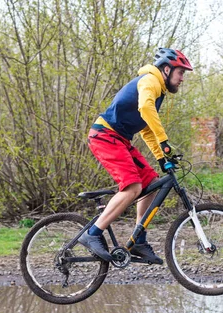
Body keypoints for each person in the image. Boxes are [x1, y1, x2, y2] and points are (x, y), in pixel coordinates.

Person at [78, 47, 193, 264]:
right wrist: (165, 142)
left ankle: (138, 239)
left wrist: (162, 157)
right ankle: (92, 233)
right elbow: (146, 108)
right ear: (167, 69)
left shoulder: (157, 89)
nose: (182, 79)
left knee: (151, 182)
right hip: (104, 135)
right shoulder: (150, 80)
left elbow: (146, 128)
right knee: (132, 187)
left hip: (119, 138)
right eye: (181, 73)